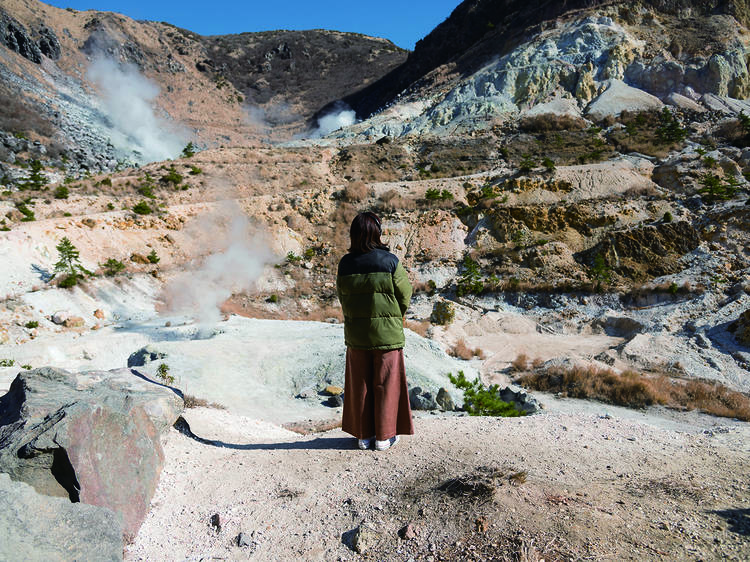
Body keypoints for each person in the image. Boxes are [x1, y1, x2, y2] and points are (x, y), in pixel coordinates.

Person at [337, 212, 414, 451]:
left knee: (360, 385)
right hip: (388, 336)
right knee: (386, 384)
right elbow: (405, 296)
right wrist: (393, 316)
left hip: (357, 337)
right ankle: (384, 437)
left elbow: (343, 298)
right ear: (377, 232)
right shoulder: (390, 261)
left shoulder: (345, 264)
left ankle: (363, 436)